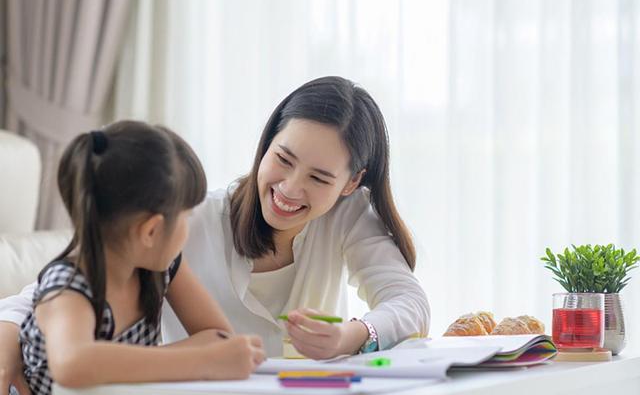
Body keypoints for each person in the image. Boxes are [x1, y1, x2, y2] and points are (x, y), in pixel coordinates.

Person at [0, 76, 429, 391]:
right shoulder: (188, 220)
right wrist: (6, 340)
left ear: (350, 184)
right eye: (283, 158)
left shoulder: (347, 216)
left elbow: (409, 303)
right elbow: (42, 298)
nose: (291, 188)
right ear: (267, 143)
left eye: (319, 178)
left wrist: (350, 336)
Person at [1, 121, 264, 395]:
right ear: (151, 231)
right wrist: (202, 361)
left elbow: (218, 336)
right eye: (186, 217)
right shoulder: (69, 286)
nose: (188, 228)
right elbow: (72, 364)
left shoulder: (162, 267)